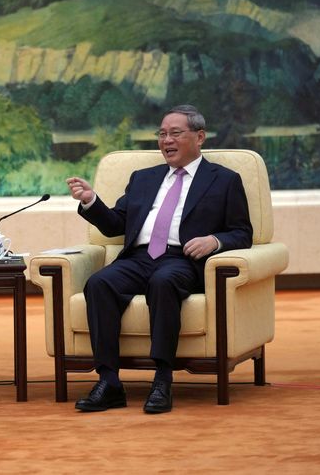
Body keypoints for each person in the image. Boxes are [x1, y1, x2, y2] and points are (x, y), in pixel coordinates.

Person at [65, 104, 252, 414]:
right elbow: (115, 225)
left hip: (181, 260)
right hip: (138, 257)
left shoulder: (224, 180)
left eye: (175, 133)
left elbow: (242, 232)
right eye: (162, 134)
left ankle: (162, 380)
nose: (167, 140)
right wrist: (91, 201)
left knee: (163, 281)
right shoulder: (143, 178)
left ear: (199, 137)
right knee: (99, 283)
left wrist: (214, 241)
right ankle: (109, 382)